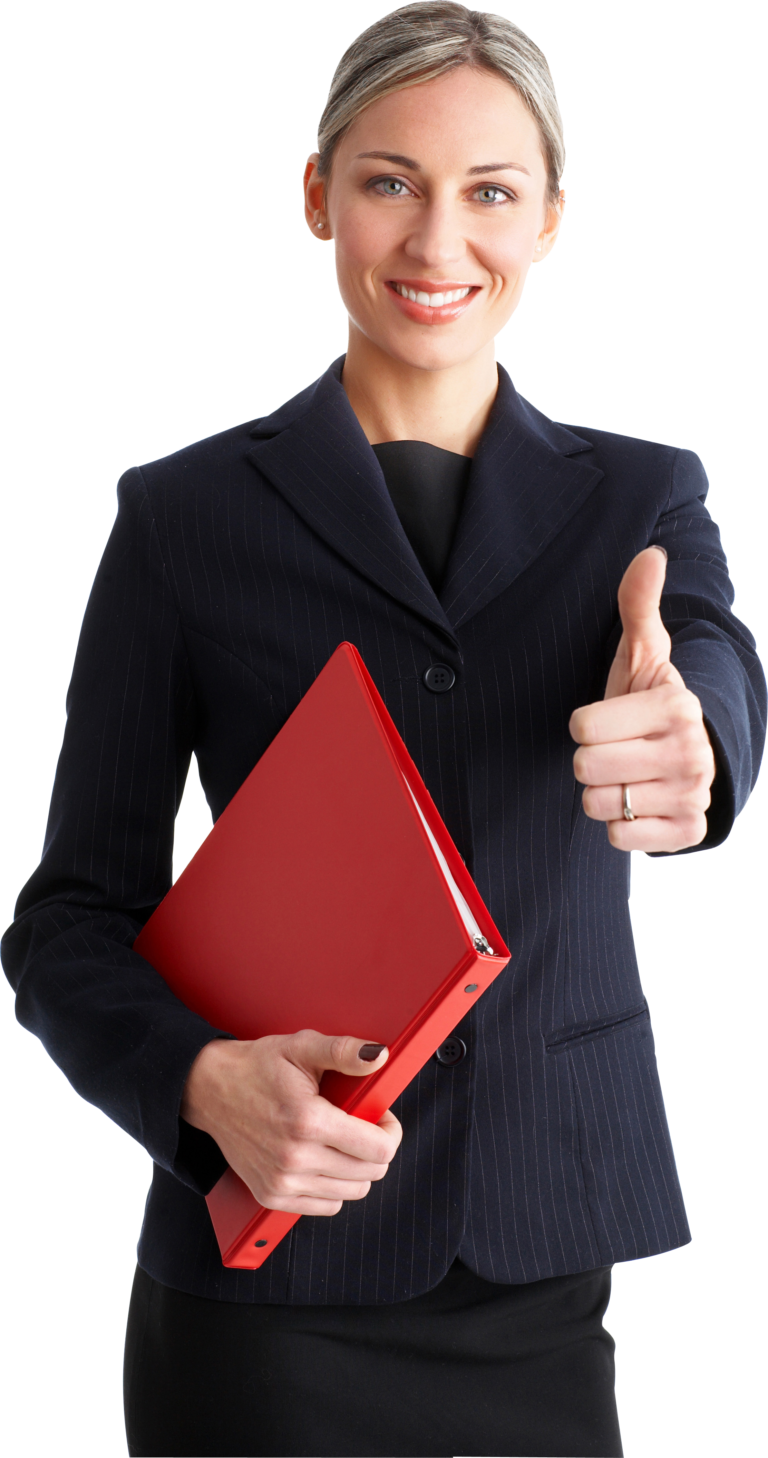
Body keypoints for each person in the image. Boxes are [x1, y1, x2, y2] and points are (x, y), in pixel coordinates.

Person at [2, 5, 765, 1455]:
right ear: (314, 195)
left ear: (549, 219)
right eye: (388, 181)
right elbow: (64, 920)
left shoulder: (642, 495)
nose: (436, 245)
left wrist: (702, 739)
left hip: (546, 1271)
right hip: (271, 1292)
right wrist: (200, 1082)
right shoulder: (179, 517)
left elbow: (712, 659)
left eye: (489, 191)